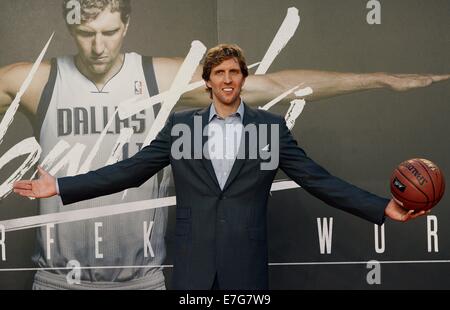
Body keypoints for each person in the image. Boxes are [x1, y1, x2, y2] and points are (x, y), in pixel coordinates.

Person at [1, 0, 447, 290]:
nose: (99, 46)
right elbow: (129, 171)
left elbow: (313, 164)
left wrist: (376, 80)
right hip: (76, 278)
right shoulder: (41, 82)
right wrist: (59, 186)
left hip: (165, 279)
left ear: (127, 25)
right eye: (86, 32)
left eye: (110, 31)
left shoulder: (245, 119)